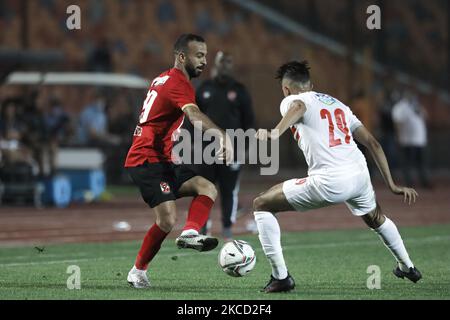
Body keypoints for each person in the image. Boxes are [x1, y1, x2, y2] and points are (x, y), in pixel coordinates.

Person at [253, 61, 421, 293]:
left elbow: (299, 106)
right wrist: (391, 184)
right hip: (359, 175)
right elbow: (373, 143)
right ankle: (408, 266)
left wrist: (274, 132)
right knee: (375, 217)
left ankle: (280, 277)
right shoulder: (339, 105)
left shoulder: (291, 100)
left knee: (261, 203)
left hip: (330, 180)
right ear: (311, 84)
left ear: (286, 89)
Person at [124, 34, 233, 288]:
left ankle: (190, 233)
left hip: (164, 159)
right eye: (199, 56)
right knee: (166, 220)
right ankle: (137, 271)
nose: (204, 61)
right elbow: (193, 115)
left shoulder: (163, 77)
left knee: (206, 187)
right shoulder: (178, 83)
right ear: (182, 57)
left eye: (205, 56)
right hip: (146, 158)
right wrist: (221, 135)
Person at [196, 51, 255, 240]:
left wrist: (246, 147)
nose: (224, 65)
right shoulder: (204, 88)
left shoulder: (239, 90)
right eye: (222, 61)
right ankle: (203, 227)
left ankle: (227, 228)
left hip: (233, 148)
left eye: (228, 62)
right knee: (204, 189)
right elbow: (193, 117)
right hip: (205, 148)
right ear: (215, 63)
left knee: (229, 190)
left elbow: (249, 122)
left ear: (232, 66)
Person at [391, 91, 431, 188]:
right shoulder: (400, 107)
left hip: (420, 140)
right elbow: (397, 122)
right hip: (407, 140)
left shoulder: (416, 106)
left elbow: (425, 117)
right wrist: (398, 136)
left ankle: (424, 182)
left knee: (421, 163)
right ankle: (409, 183)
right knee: (407, 163)